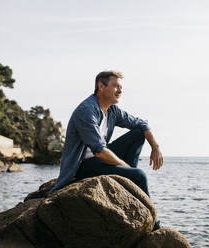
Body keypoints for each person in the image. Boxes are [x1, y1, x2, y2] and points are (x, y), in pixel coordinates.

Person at [50, 71, 163, 229]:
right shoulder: (87, 110)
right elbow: (99, 151)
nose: (120, 90)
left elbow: (141, 124)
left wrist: (155, 147)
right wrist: (125, 167)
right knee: (139, 176)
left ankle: (128, 183)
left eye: (121, 87)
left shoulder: (112, 111)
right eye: (116, 86)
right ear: (101, 86)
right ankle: (154, 224)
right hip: (82, 166)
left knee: (138, 134)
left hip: (99, 160)